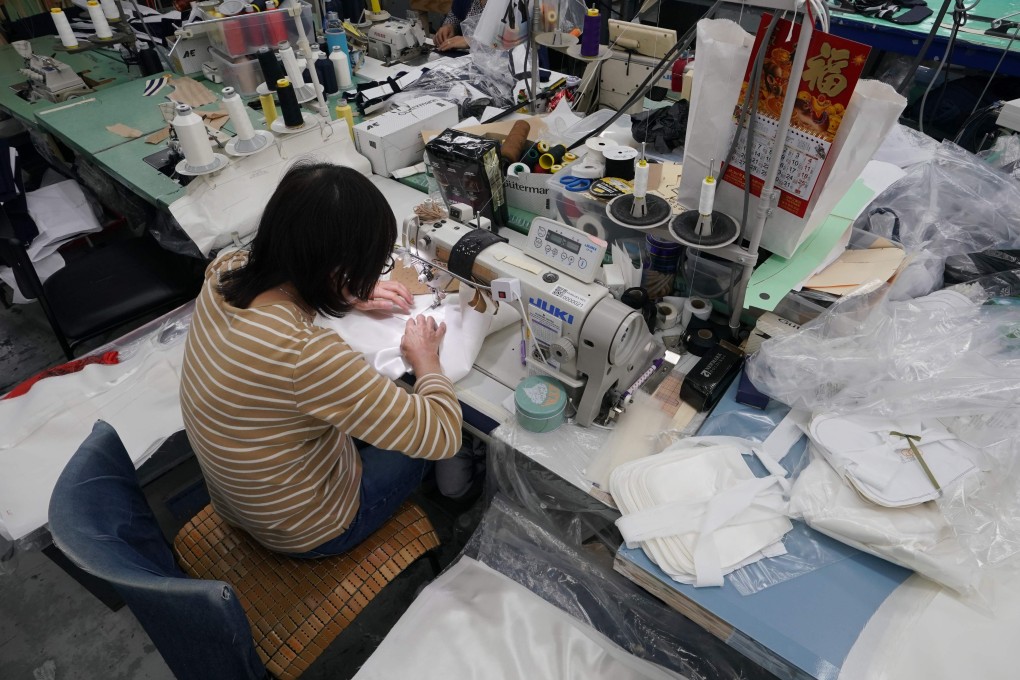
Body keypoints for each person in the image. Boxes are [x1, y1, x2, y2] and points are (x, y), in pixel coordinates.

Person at [179, 162, 463, 558]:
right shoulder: (306, 355)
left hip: (240, 498)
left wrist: (344, 292)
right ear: (335, 269)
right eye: (374, 266)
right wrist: (426, 360)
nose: (376, 273)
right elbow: (443, 434)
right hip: (307, 528)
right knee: (432, 449)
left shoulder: (223, 274)